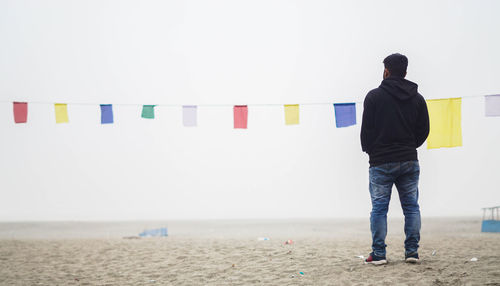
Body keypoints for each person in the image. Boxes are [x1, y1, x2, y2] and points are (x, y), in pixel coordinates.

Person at [360, 53, 430, 265]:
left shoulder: (373, 97)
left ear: (386, 71)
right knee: (411, 207)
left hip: (380, 162)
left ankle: (379, 255)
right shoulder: (417, 98)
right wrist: (409, 147)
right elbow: (424, 130)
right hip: (409, 160)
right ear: (405, 72)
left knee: (380, 209)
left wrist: (372, 151)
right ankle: (412, 253)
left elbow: (366, 133)